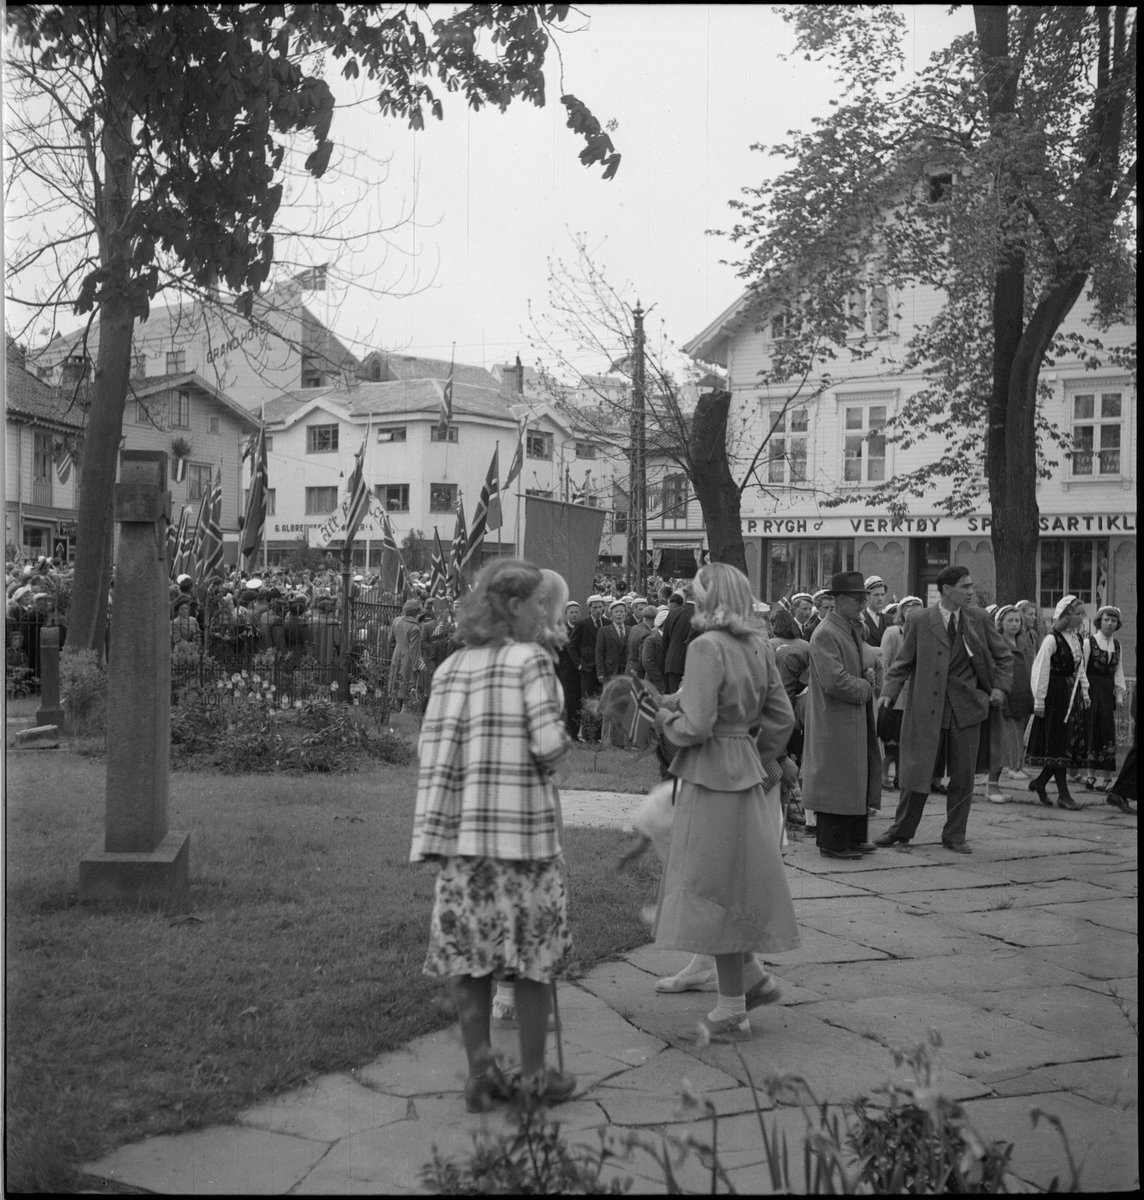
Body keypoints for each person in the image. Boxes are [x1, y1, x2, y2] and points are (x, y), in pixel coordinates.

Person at [410, 559, 575, 1110]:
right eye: (535, 604)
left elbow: (429, 751)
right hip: (523, 840)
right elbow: (549, 748)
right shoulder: (532, 662)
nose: (541, 612)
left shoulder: (450, 667)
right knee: (530, 958)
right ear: (511, 607)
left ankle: (480, 1076)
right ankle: (531, 1077)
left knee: (472, 957)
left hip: (461, 842)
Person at [651, 562, 799, 1043]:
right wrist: (754, 753)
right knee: (736, 883)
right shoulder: (757, 646)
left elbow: (694, 726)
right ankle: (749, 978)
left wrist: (664, 721)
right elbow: (782, 717)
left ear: (706, 600)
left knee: (709, 886)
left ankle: (733, 1010)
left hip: (710, 774)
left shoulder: (705, 646)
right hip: (746, 771)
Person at [875, 565, 1013, 853]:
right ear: (947, 590)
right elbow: (902, 662)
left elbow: (1003, 656)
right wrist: (888, 693)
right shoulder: (919, 619)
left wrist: (999, 687)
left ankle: (954, 836)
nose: (971, 591)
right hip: (927, 709)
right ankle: (901, 831)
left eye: (971, 585)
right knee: (916, 773)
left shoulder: (979, 618)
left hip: (967, 710)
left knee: (963, 777)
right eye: (966, 586)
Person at [802, 572, 882, 859]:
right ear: (839, 600)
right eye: (858, 598)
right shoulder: (826, 633)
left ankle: (852, 837)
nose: (863, 603)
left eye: (863, 597)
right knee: (836, 777)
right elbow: (834, 680)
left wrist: (867, 675)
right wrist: (864, 685)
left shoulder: (848, 629)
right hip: (835, 717)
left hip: (848, 717)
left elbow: (850, 670)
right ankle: (833, 842)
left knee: (851, 775)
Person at [1024, 596, 1090, 809]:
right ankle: (1064, 795)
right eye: (1078, 614)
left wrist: (1085, 691)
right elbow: (1041, 669)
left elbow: (1080, 668)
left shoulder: (1077, 638)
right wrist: (1039, 699)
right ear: (1066, 615)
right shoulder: (1052, 639)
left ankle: (1041, 783)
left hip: (1071, 694)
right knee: (1057, 743)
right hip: (1055, 695)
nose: (1082, 618)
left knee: (1063, 744)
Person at [983, 605, 1036, 803]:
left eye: (1017, 621)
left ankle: (995, 784)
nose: (1014, 624)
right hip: (1004, 700)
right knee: (1000, 744)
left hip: (1021, 698)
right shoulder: (997, 642)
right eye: (1010, 621)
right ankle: (992, 786)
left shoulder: (1023, 642)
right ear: (1000, 623)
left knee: (1013, 744)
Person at [878, 596, 923, 791]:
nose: (913, 614)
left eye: (918, 610)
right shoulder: (893, 632)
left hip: (914, 694)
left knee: (906, 740)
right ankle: (883, 775)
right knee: (891, 737)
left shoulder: (923, 632)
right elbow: (884, 661)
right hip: (896, 694)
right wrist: (887, 687)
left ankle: (901, 777)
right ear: (902, 612)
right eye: (910, 610)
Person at [1083, 605, 1127, 792]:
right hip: (1092, 691)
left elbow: (1118, 671)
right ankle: (1090, 776)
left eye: (1113, 620)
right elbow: (1081, 670)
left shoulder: (1117, 646)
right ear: (1099, 622)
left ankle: (1107, 778)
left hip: (1107, 691)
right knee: (1092, 730)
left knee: (1107, 732)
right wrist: (1084, 693)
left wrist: (1119, 695)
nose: (1110, 624)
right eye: (1106, 620)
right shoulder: (1089, 642)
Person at [596, 599, 630, 746]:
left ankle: (621, 740)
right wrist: (601, 672)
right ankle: (607, 739)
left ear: (626, 614)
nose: (619, 614)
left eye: (622, 611)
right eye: (616, 611)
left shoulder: (630, 629)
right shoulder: (604, 631)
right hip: (610, 672)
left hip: (626, 673)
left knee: (624, 705)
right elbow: (599, 653)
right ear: (611, 614)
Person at [388, 598, 423, 710]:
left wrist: (395, 647)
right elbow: (414, 649)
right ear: (417, 612)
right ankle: (404, 707)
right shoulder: (415, 628)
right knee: (407, 680)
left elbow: (390, 639)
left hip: (396, 652)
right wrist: (417, 665)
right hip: (408, 656)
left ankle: (394, 704)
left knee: (396, 677)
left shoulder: (396, 620)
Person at [662, 588, 695, 694]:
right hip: (687, 667)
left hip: (671, 664)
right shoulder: (699, 614)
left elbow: (665, 641)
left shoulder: (673, 612)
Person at [641, 607, 669, 692]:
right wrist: (660, 680)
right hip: (654, 683)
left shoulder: (671, 638)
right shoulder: (651, 640)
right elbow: (647, 662)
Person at [861, 576, 889, 648]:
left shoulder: (889, 619)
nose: (880, 598)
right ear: (867, 596)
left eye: (882, 595)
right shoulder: (861, 619)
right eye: (876, 595)